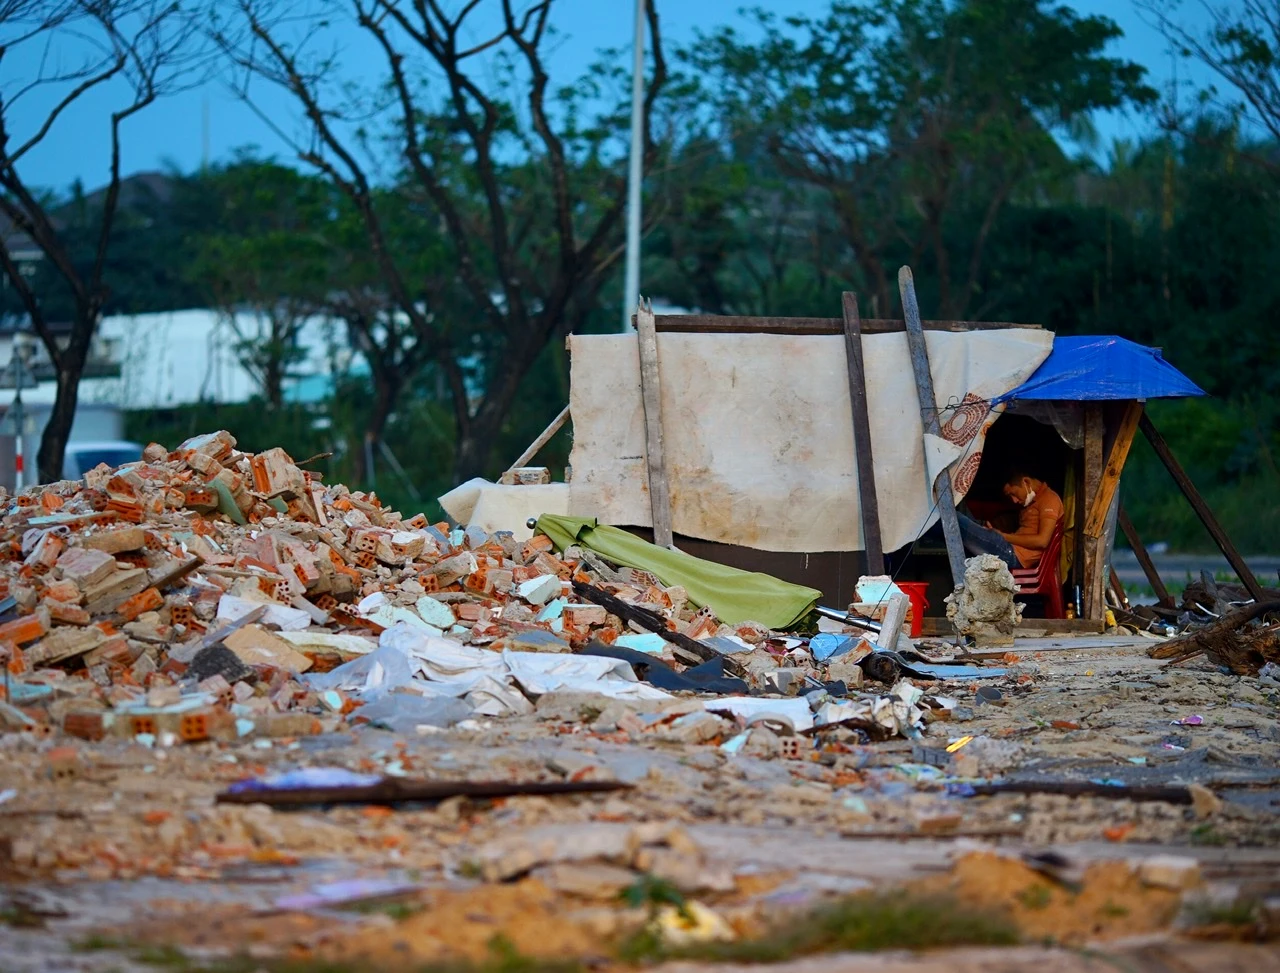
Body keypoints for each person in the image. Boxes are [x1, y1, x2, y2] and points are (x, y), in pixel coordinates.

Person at [957, 471, 1063, 571]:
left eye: (1013, 494)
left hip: (1013, 556)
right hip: (1009, 548)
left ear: (1026, 482)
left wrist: (1004, 536)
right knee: (961, 514)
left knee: (956, 519)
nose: (1014, 500)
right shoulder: (1029, 503)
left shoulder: (1049, 499)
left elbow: (1042, 541)